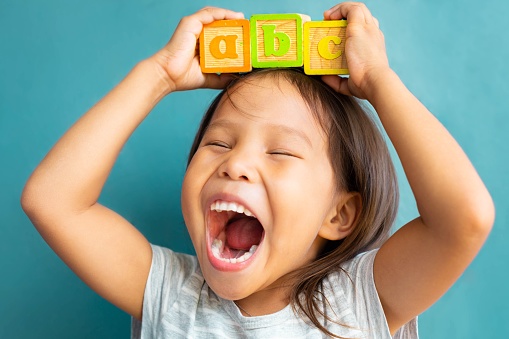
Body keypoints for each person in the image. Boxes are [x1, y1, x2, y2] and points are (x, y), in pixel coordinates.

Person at [21, 2, 494, 338]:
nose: (236, 163)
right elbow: (52, 200)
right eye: (218, 142)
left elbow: (463, 220)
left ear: (340, 214)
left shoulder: (361, 303)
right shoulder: (170, 294)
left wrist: (378, 82)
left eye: (281, 153)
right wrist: (159, 75)